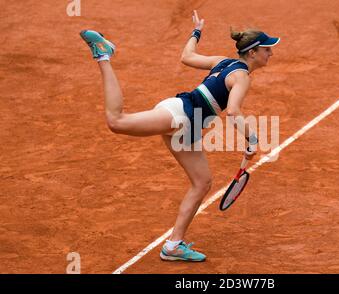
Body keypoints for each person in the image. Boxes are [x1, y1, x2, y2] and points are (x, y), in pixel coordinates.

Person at [80, 10, 280, 262]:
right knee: (116, 121)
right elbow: (233, 111)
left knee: (202, 182)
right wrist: (252, 139)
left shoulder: (224, 62)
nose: (270, 53)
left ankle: (173, 245)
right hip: (181, 115)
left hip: (187, 126)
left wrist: (196, 32)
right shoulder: (241, 77)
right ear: (253, 53)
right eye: (267, 49)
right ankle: (104, 55)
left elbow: (187, 57)